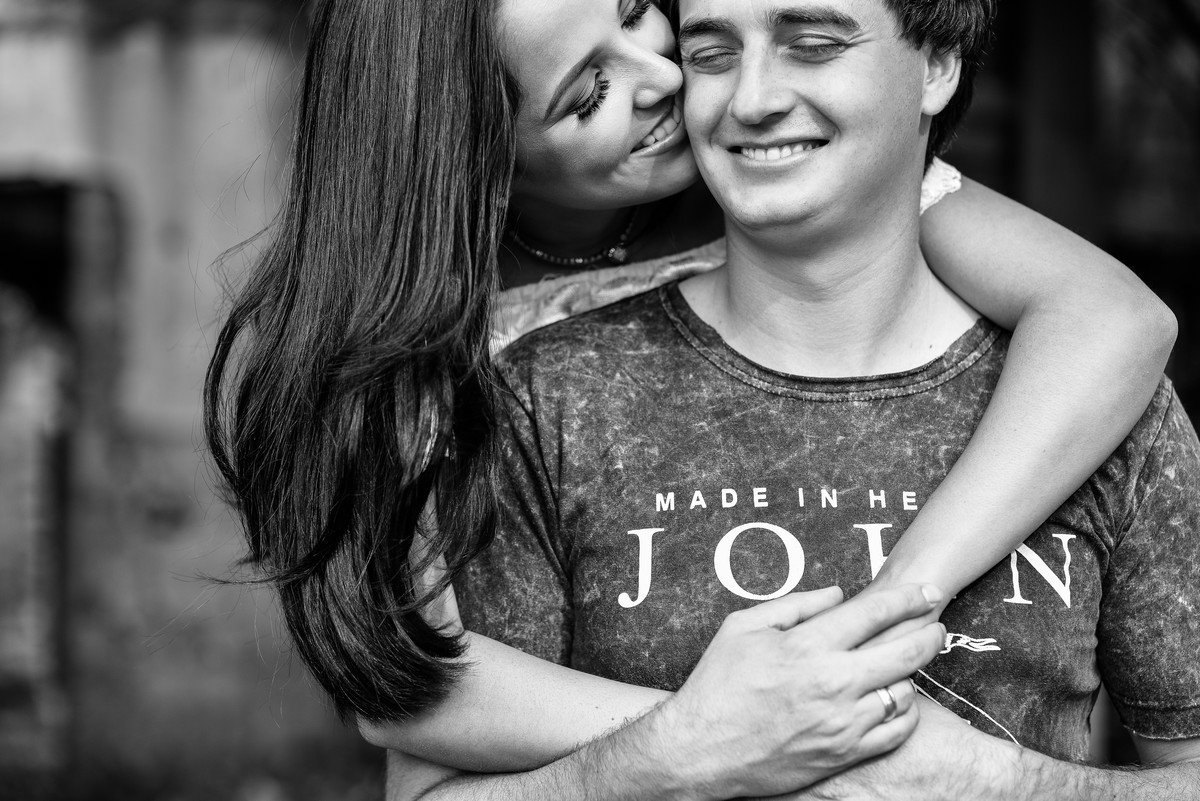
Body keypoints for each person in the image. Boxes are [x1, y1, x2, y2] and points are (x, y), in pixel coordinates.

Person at [202, 0, 1174, 790]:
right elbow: (413, 689)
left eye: (636, 13)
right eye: (591, 93)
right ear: (484, 162)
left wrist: (890, 606)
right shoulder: (423, 348)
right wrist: (736, 734)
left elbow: (1113, 319)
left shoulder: (780, 169)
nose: (667, 78)